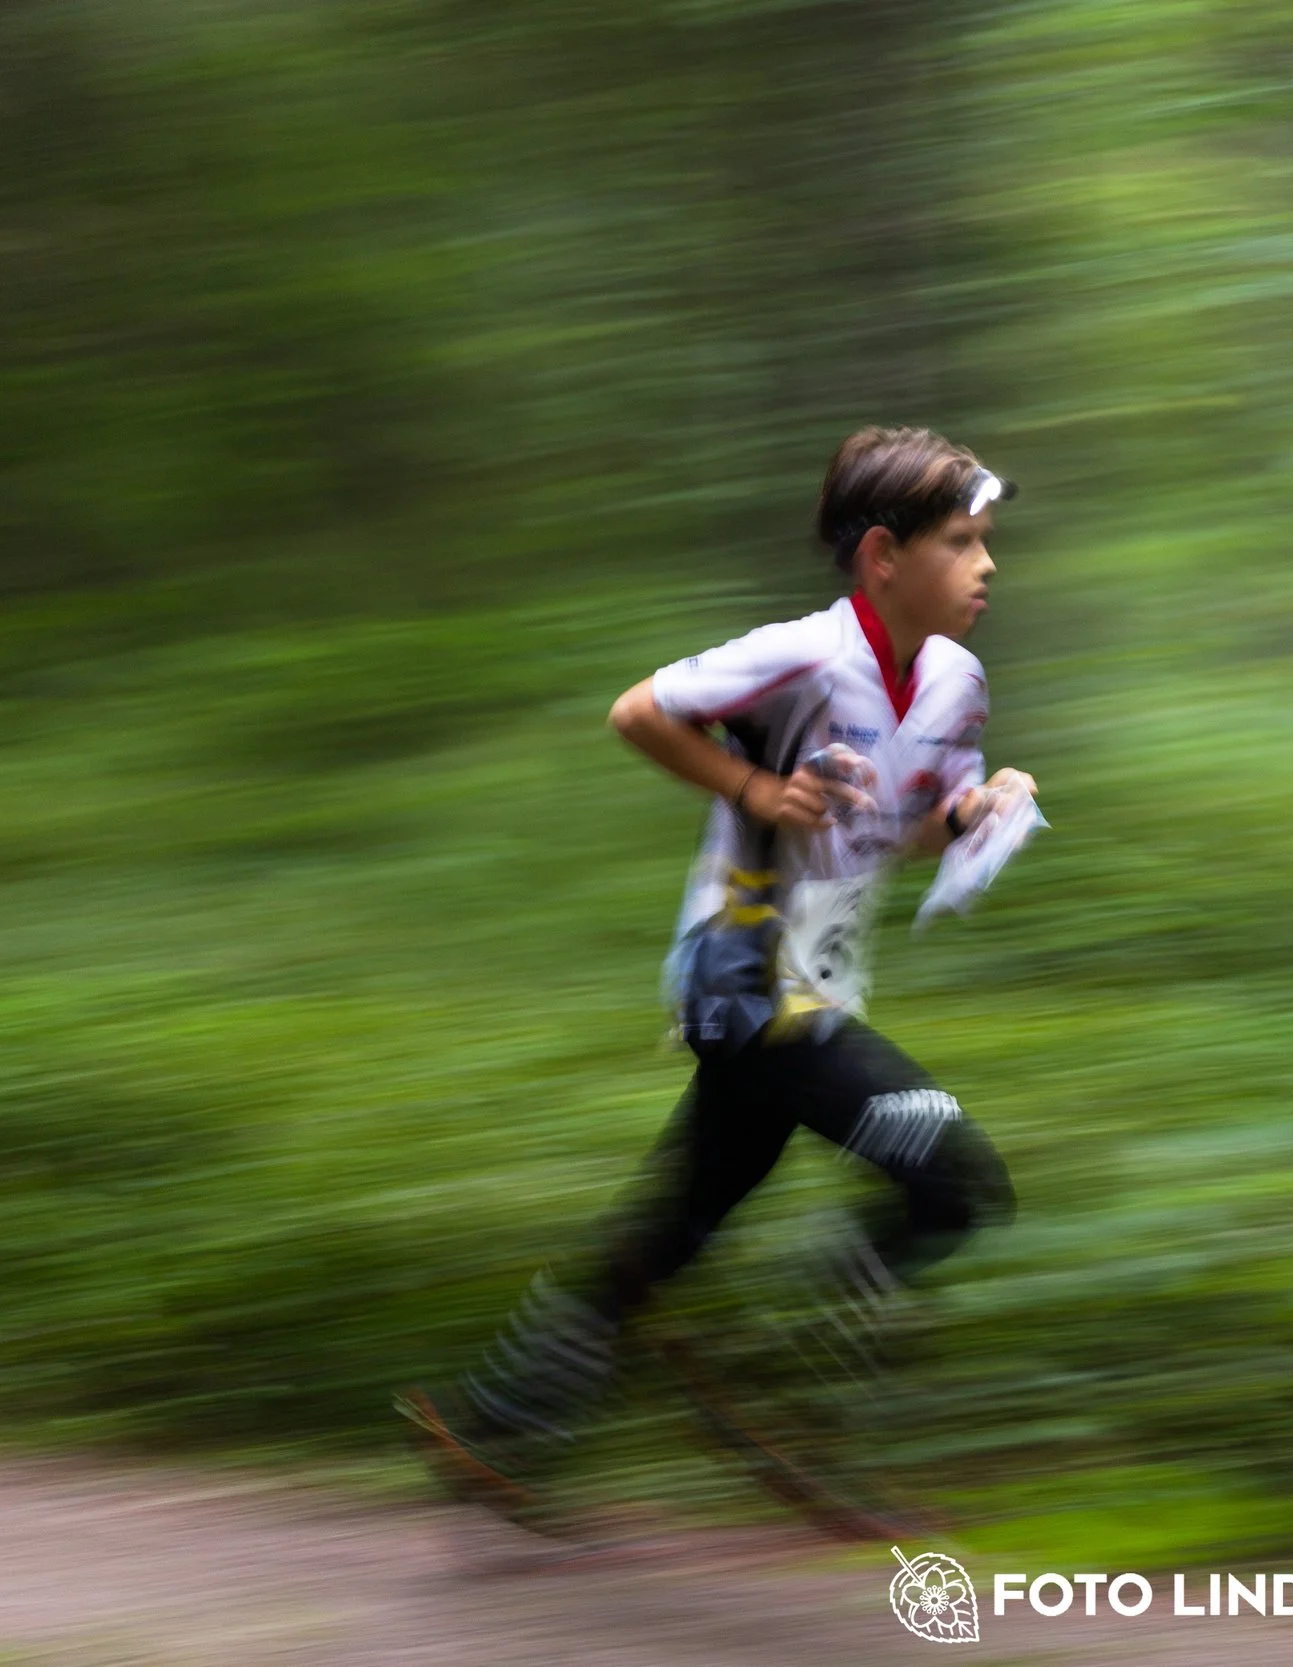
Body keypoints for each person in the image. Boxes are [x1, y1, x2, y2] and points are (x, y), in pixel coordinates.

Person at [398, 426, 1030, 1518]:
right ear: (884, 556)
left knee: (677, 1222)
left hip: (815, 985)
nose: (986, 565)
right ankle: (786, 1382)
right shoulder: (802, 653)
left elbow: (901, 827)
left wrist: (974, 812)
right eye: (963, 541)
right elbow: (638, 709)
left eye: (987, 540)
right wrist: (751, 790)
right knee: (954, 1182)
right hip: (743, 982)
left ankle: (494, 1426)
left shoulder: (956, 683)